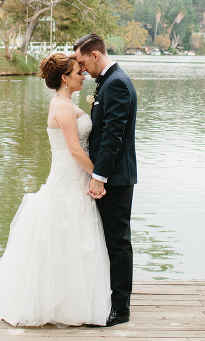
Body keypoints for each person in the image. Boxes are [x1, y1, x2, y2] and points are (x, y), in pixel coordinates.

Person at [0, 53, 111, 327]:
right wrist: (98, 176)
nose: (84, 76)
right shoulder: (63, 107)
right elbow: (75, 150)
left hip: (73, 179)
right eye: (79, 73)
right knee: (66, 236)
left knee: (76, 240)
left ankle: (72, 303)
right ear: (65, 78)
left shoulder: (65, 102)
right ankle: (58, 305)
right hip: (67, 179)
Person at [73, 33, 137, 327]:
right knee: (109, 239)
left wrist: (99, 177)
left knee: (118, 241)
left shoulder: (118, 84)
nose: (82, 69)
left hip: (115, 178)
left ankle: (121, 309)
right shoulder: (109, 82)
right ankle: (108, 298)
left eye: (83, 62)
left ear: (95, 55)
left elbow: (113, 137)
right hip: (110, 175)